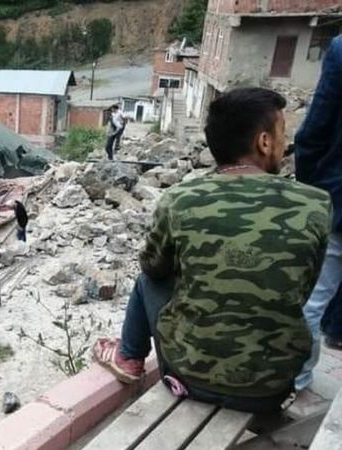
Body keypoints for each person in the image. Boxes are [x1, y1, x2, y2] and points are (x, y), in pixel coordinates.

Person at [92, 87, 331, 414]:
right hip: (275, 388)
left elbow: (152, 268)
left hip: (188, 378)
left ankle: (129, 357)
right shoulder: (315, 204)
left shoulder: (181, 199)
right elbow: (303, 289)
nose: (285, 144)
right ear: (263, 142)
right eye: (282, 135)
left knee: (147, 281)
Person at [294, 35, 342, 389]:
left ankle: (296, 383)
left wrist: (312, 194)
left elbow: (313, 133)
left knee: (312, 298)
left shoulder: (341, 50)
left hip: (338, 198)